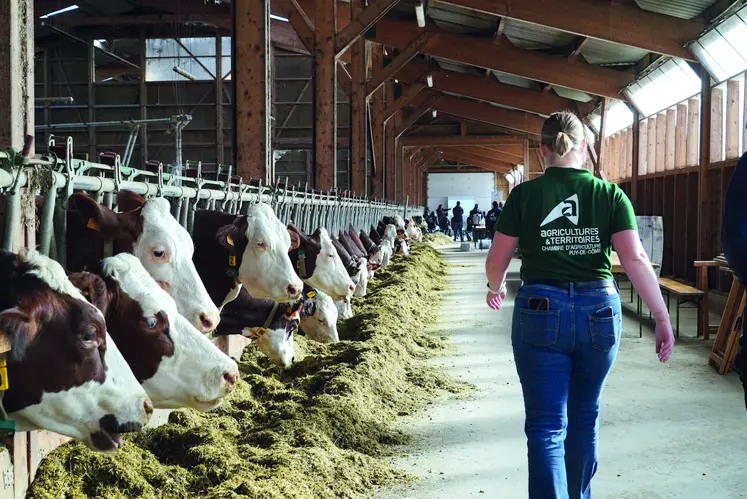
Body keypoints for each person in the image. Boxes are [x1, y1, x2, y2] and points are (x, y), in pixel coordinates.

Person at [484, 111, 675, 499]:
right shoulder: (609, 195)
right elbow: (635, 260)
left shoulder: (524, 195)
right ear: (585, 148)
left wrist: (496, 286)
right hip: (599, 313)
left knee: (546, 426)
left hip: (540, 310)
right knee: (584, 417)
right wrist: (660, 315)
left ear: (542, 152)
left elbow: (496, 259)